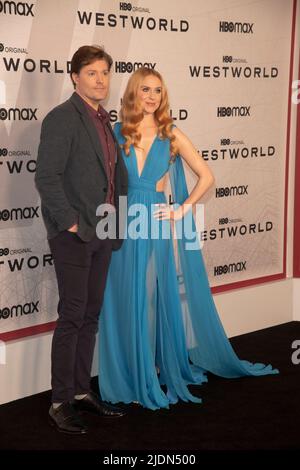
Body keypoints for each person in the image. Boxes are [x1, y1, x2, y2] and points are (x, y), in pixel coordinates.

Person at [98, 67, 279, 410]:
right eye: (145, 89)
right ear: (133, 93)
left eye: (158, 91)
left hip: (153, 222)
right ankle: (129, 373)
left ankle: (150, 370)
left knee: (149, 298)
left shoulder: (171, 134)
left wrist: (181, 210)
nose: (151, 97)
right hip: (120, 222)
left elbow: (207, 176)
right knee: (123, 299)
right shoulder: (116, 131)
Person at [35, 45, 128, 434]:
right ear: (74, 77)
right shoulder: (62, 118)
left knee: (90, 315)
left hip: (104, 231)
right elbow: (47, 178)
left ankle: (79, 391)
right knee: (73, 316)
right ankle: (59, 401)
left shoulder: (105, 120)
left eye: (105, 73)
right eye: (92, 73)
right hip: (75, 235)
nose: (100, 80)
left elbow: (114, 177)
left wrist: (118, 223)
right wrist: (71, 224)